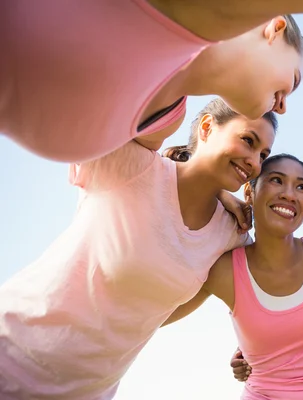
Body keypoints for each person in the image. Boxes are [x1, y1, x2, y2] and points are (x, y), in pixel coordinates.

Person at [0, 98, 276, 399]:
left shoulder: (230, 233)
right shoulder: (135, 168)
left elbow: (261, 296)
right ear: (207, 128)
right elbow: (108, 100)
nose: (255, 162)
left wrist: (253, 346)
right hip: (10, 352)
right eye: (248, 141)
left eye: (263, 154)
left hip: (87, 391)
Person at [1, 4, 303, 163]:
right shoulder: (180, 10)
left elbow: (148, 179)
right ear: (274, 29)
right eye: (293, 80)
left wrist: (217, 193)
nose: (283, 106)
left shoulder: (166, 120)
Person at [163, 154, 303, 399]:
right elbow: (155, 316)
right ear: (249, 192)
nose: (289, 194)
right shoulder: (224, 270)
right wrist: (218, 193)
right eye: (276, 180)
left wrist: (274, 346)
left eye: (301, 186)